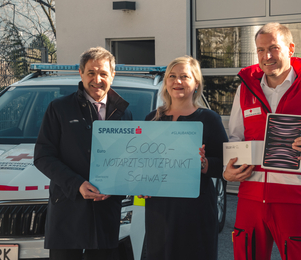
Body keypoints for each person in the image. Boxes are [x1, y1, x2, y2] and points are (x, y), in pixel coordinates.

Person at [223, 23, 301, 260]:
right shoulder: (245, 90)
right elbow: (235, 138)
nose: (266, 56)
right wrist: (226, 172)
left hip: (293, 199)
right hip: (250, 196)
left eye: (273, 48)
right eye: (260, 50)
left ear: (291, 48)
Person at [34, 47, 132, 260]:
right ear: (81, 73)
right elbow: (42, 156)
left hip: (106, 212)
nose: (97, 79)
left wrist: (117, 187)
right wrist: (77, 184)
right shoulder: (59, 108)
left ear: (113, 76)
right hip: (68, 210)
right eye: (91, 73)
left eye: (104, 73)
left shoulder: (124, 113)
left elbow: (127, 160)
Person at [143, 56, 228, 260]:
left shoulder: (209, 119)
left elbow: (226, 164)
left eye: (184, 76)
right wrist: (141, 183)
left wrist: (205, 164)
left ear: (196, 83)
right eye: (172, 76)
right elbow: (143, 162)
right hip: (159, 210)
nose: (177, 81)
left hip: (195, 212)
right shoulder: (151, 119)